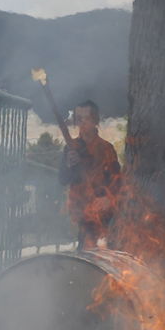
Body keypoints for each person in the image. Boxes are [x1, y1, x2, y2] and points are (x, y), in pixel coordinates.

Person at [58, 100, 121, 249]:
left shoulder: (107, 149)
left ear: (95, 120)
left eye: (87, 118)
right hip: (82, 213)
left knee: (105, 254)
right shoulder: (70, 148)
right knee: (85, 253)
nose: (83, 122)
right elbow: (62, 179)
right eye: (79, 118)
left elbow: (117, 182)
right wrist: (68, 165)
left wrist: (108, 198)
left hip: (105, 214)